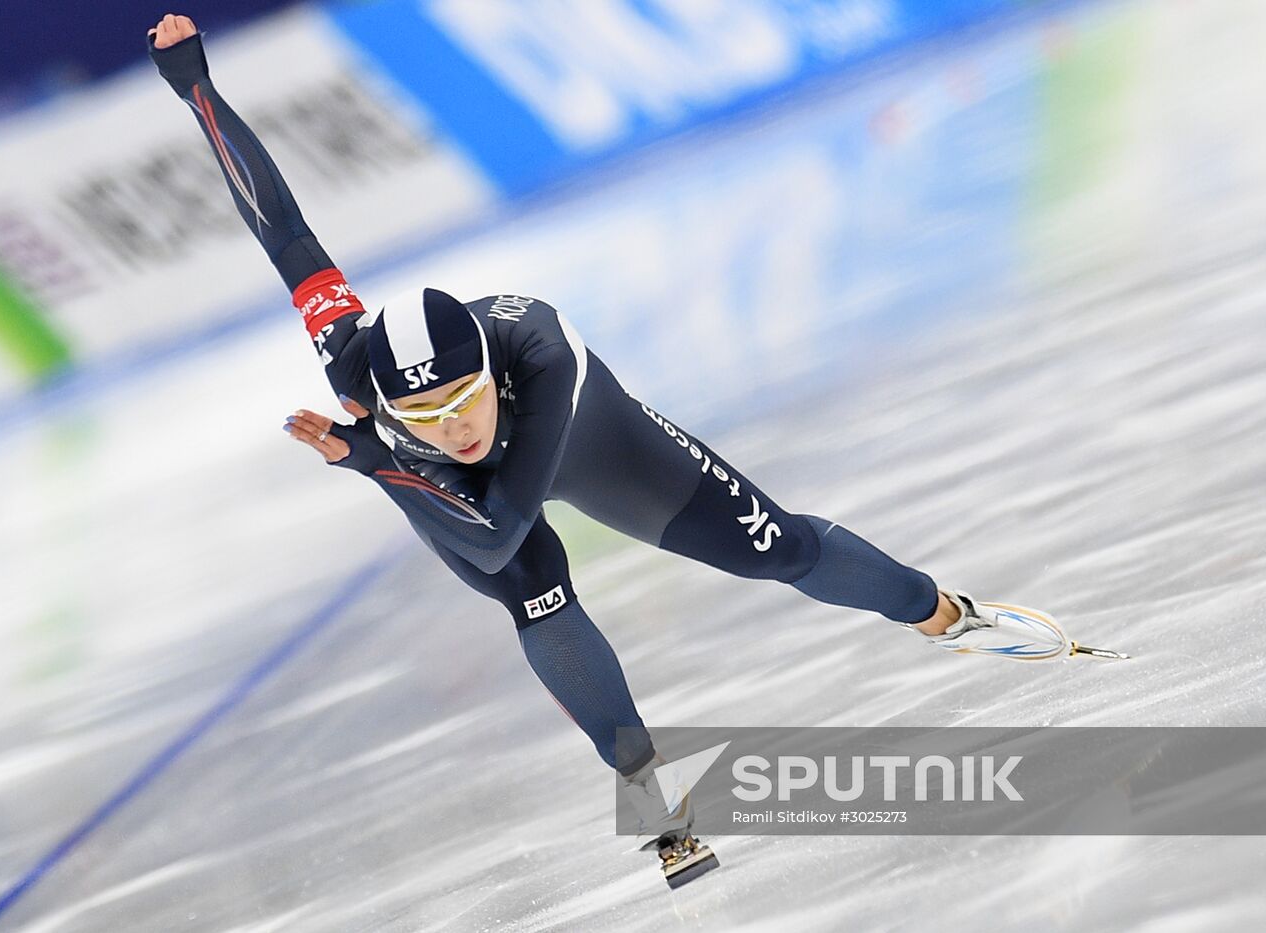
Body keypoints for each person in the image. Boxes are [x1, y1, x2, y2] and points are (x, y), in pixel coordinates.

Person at [147, 13, 1073, 860]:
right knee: (537, 594)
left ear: (490, 371)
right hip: (449, 495)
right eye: (426, 414)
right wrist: (199, 91)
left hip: (587, 440)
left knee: (779, 548)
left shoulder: (542, 356)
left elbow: (508, 518)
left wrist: (381, 456)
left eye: (465, 400)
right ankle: (649, 793)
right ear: (386, 392)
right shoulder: (353, 356)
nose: (456, 426)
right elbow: (284, 230)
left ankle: (944, 612)